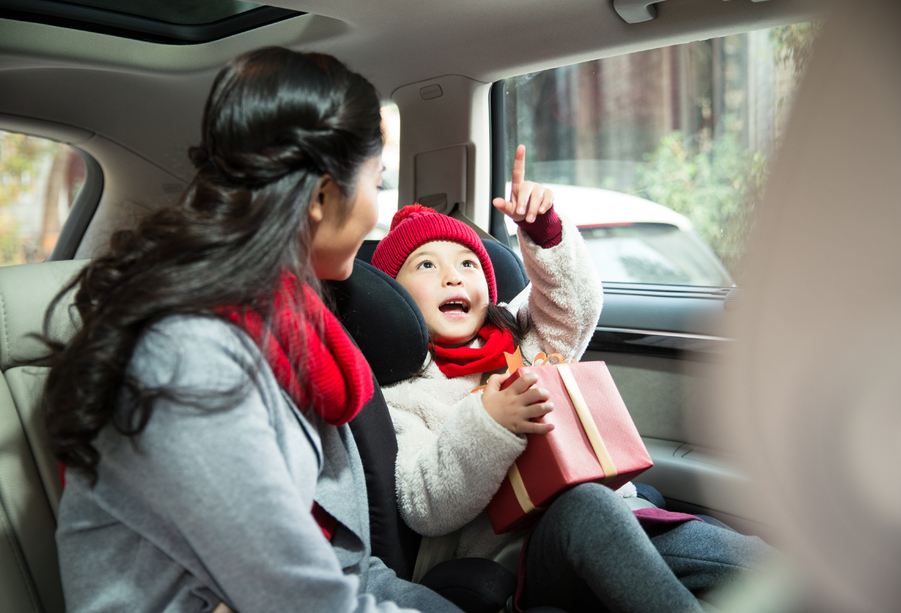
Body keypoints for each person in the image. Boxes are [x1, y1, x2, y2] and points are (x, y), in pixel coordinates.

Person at [41, 47, 463, 613]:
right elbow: (297, 599)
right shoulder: (190, 359)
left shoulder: (285, 324)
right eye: (377, 184)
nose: (377, 212)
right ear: (319, 198)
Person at [370, 145, 778, 612]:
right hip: (519, 558)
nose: (453, 278)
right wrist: (489, 421)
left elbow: (576, 306)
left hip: (619, 514)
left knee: (745, 559)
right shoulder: (403, 394)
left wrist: (543, 233)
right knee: (590, 507)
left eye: (467, 264)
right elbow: (424, 503)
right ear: (394, 299)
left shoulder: (517, 336)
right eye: (426, 265)